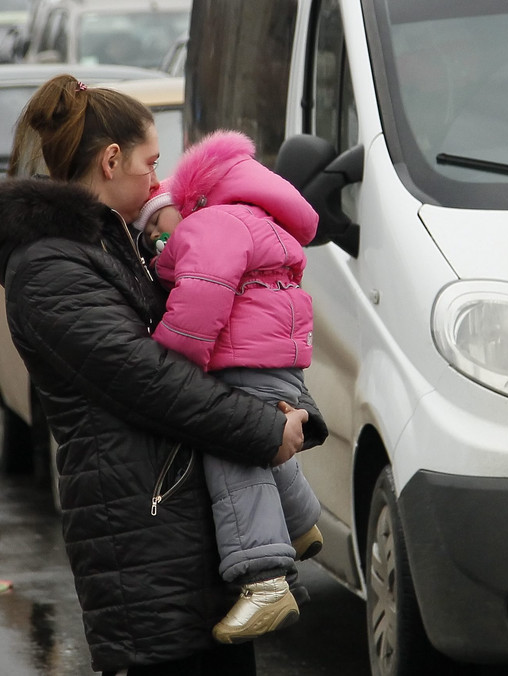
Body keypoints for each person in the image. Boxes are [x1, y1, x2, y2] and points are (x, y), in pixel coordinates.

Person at [0, 75, 327, 676]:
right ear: (110, 161)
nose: (159, 183)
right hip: (144, 545)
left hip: (176, 531)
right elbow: (150, 380)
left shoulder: (109, 244)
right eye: (150, 164)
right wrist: (262, 428)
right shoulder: (49, 266)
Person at [129, 129, 324, 645]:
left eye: (156, 228)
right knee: (262, 445)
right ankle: (302, 524)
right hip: (270, 355)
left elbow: (202, 301)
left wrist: (168, 356)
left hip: (245, 355)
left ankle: (263, 580)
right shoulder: (253, 217)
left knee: (232, 452)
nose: (157, 241)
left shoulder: (211, 224)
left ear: (181, 205)